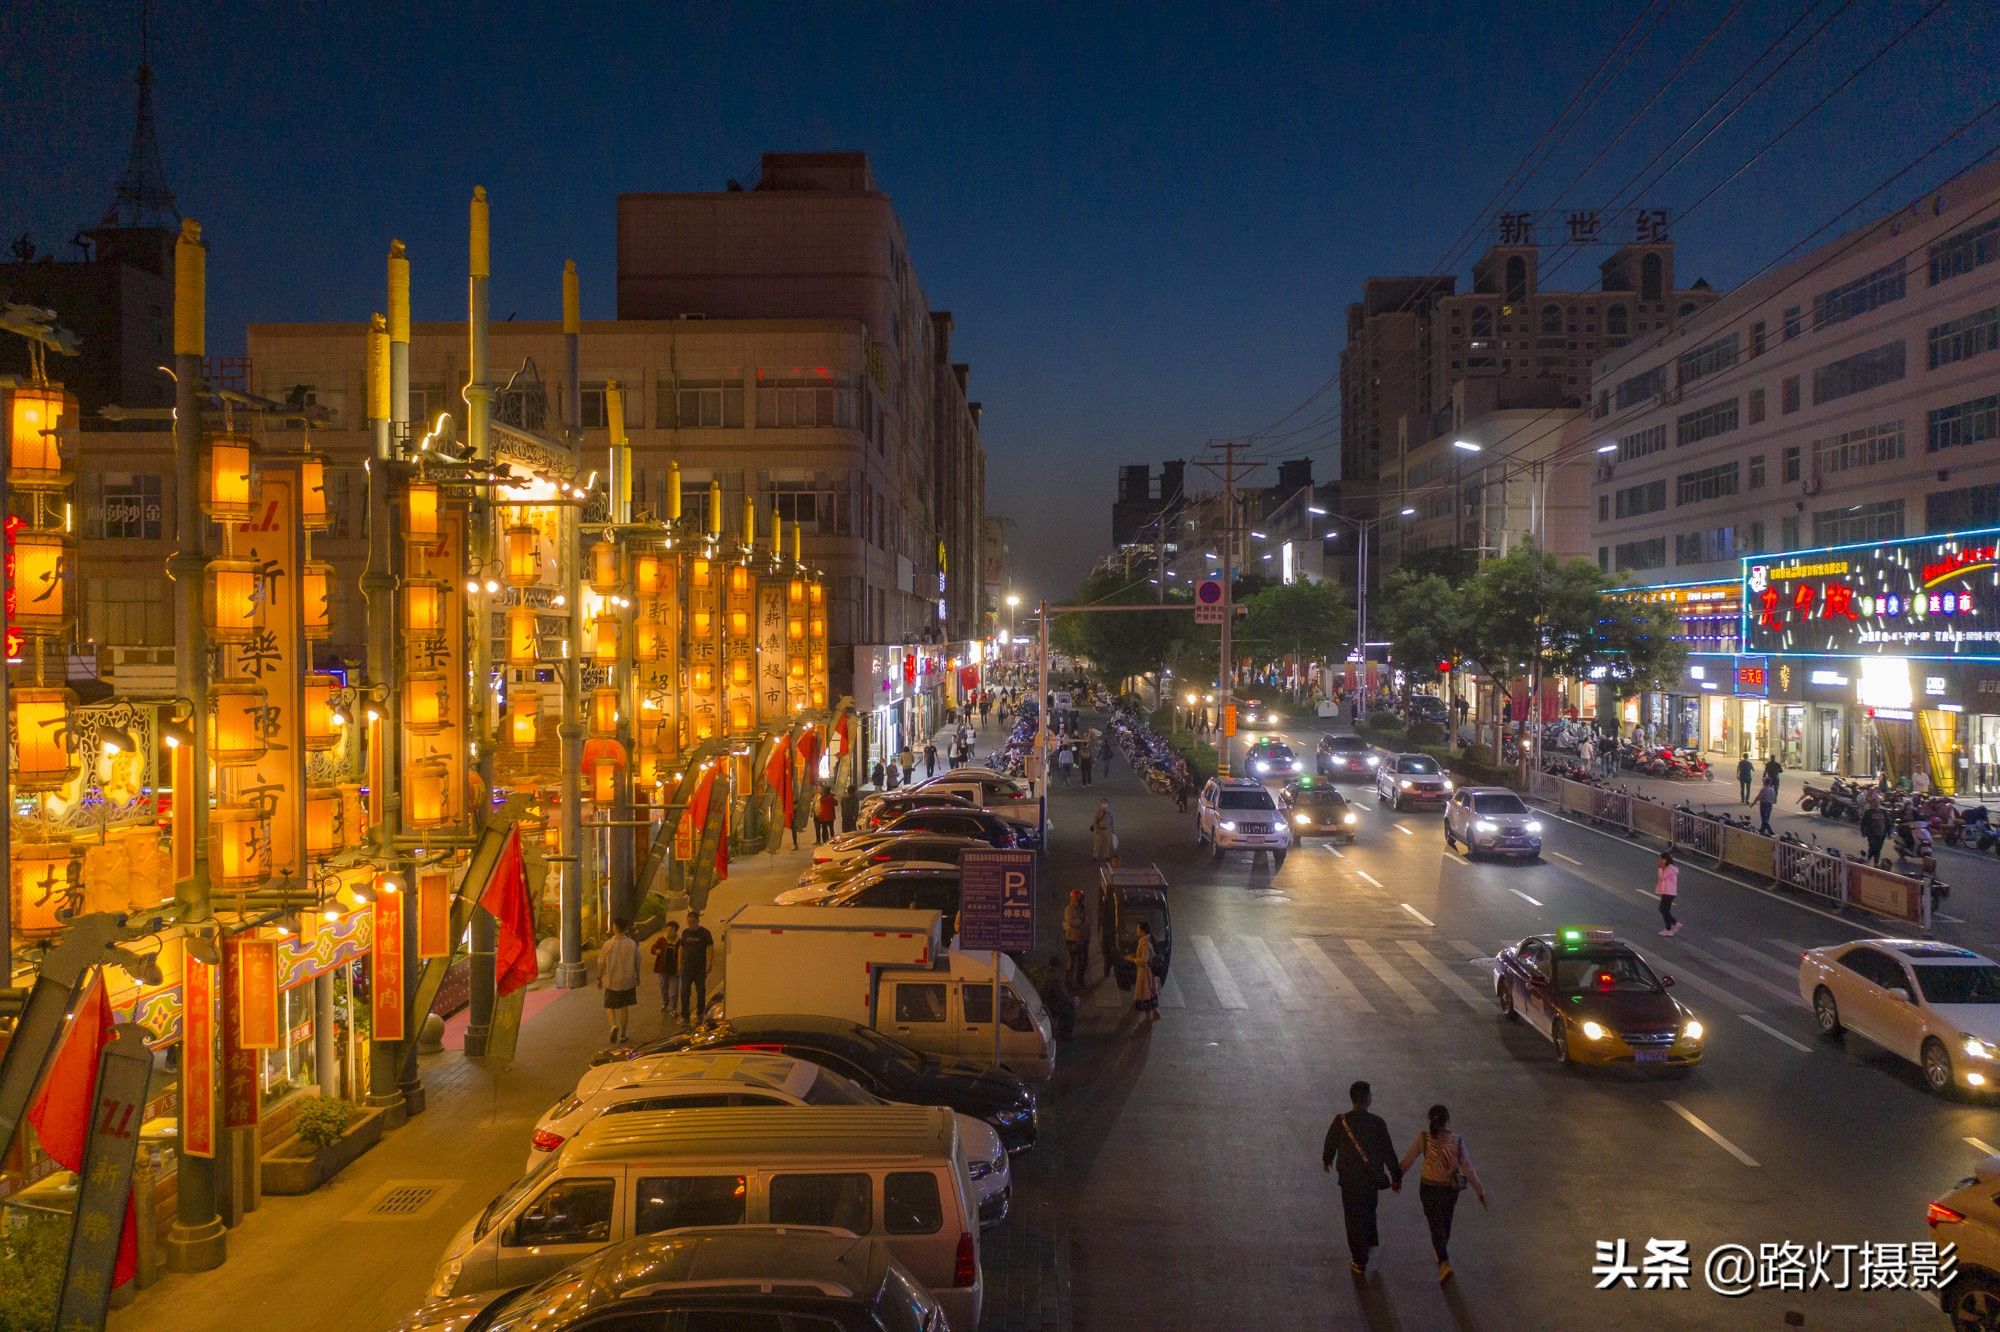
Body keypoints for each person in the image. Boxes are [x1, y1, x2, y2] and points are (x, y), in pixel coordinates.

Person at [1397, 1104, 1486, 1284]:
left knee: (1436, 1224)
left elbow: (1408, 1160)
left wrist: (1396, 1178)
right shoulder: (1457, 1141)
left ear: (1430, 1120)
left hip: (1429, 1188)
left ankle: (1444, 1261)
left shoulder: (1423, 1138)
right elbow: (1467, 1168)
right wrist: (1480, 1190)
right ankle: (1442, 1254)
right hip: (1449, 1190)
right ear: (1448, 1120)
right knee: (1445, 1223)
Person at [1322, 1080, 1402, 1278]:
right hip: (1370, 1179)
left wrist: (1327, 1159)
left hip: (1349, 1179)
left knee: (1352, 1217)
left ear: (1352, 1099)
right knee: (1369, 1210)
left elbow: (1331, 1141)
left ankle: (1359, 1260)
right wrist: (1395, 1176)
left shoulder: (1341, 1121)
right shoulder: (1377, 1123)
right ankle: (1370, 1243)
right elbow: (1387, 1151)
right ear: (1367, 1099)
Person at [599, 917, 642, 1043]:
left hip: (612, 981)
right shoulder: (632, 944)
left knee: (609, 1006)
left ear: (615, 927)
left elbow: (601, 962)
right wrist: (637, 976)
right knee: (624, 1007)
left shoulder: (607, 944)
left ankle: (613, 1025)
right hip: (628, 982)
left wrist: (599, 977)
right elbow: (638, 962)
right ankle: (623, 1034)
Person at [676, 911, 715, 1025]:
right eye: (688, 922)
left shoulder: (705, 933)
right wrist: (679, 964)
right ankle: (685, 1016)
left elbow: (710, 948)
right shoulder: (685, 933)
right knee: (684, 992)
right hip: (687, 968)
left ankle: (700, 1015)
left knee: (700, 992)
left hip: (699, 968)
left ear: (698, 921)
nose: (690, 924)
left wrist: (709, 963)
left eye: (692, 922)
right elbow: (681, 948)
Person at [649, 920, 682, 1019]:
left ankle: (673, 1008)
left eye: (671, 930)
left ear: (675, 931)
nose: (668, 932)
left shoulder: (680, 942)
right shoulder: (661, 940)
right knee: (663, 987)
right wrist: (656, 951)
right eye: (667, 930)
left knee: (674, 990)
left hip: (674, 970)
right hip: (663, 969)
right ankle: (665, 1002)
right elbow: (653, 948)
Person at [1129, 920, 1160, 1022]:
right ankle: (1155, 1012)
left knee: (1145, 994)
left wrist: (1133, 960)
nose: (1136, 931)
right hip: (1149, 973)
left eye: (1138, 929)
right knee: (1150, 993)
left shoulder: (1144, 943)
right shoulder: (1148, 940)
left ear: (1142, 931)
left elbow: (1144, 960)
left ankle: (1148, 1017)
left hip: (1145, 974)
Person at [1062, 888, 1089, 987]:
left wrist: (1080, 922)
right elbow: (1071, 922)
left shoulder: (1084, 909)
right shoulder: (1069, 909)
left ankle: (1080, 981)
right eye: (1079, 898)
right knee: (1071, 963)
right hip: (1072, 939)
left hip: (1083, 939)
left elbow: (1088, 922)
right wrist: (1081, 921)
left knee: (1083, 962)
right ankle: (1068, 982)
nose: (1080, 900)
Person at [1861, 791, 1891, 866]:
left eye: (1876, 801)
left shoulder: (1884, 811)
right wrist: (1863, 832)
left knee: (1878, 849)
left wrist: (1889, 833)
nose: (1875, 803)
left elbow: (1888, 823)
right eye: (1873, 801)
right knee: (1873, 846)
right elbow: (1863, 823)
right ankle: (1871, 861)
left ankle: (1874, 863)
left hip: (1881, 833)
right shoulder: (1868, 812)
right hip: (1872, 833)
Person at [1655, 849, 1680, 937]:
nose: (1660, 861)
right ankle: (1671, 926)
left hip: (1669, 893)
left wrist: (1660, 868)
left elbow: (1661, 878)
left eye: (1661, 859)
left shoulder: (1670, 869)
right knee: (1664, 910)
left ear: (1666, 860)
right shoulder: (1669, 868)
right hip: (1667, 892)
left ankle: (1671, 926)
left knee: (1664, 910)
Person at [1091, 799, 1115, 863]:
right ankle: (1095, 856)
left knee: (1107, 844)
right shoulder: (1098, 812)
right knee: (1097, 844)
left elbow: (1111, 822)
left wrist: (1113, 832)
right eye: (1103, 803)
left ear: (1107, 804)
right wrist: (1095, 831)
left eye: (1105, 803)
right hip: (1099, 830)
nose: (1104, 805)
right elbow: (1095, 822)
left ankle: (1106, 856)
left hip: (1107, 830)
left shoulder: (1110, 813)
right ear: (1100, 804)